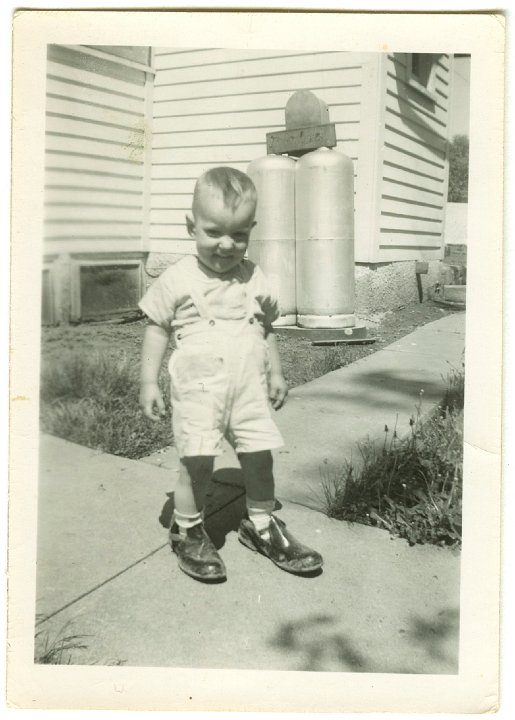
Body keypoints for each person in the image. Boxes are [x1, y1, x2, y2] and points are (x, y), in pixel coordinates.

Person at [138, 166, 323, 582]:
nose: (226, 245)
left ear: (251, 231)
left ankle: (260, 524)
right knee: (197, 461)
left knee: (259, 457)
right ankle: (186, 529)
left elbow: (265, 327)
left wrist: (276, 371)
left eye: (239, 235)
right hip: (199, 388)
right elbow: (156, 328)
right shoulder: (178, 278)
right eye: (214, 232)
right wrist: (148, 381)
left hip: (248, 389)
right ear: (192, 227)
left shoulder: (253, 276)